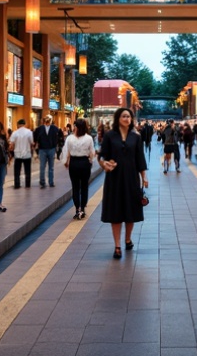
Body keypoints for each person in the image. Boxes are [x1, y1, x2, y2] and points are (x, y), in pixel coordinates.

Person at [98, 107, 148, 259]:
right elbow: (102, 156)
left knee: (131, 210)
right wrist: (104, 164)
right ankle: (117, 246)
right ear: (118, 118)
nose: (127, 119)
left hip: (132, 178)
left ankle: (128, 239)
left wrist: (144, 177)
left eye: (129, 116)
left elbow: (140, 159)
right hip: (114, 178)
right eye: (124, 116)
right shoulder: (110, 136)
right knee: (116, 211)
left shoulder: (136, 137)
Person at [63, 117, 96, 219]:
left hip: (74, 163)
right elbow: (92, 153)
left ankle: (77, 209)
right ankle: (83, 209)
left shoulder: (70, 138)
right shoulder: (89, 138)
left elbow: (66, 151)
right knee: (85, 186)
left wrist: (66, 162)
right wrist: (90, 161)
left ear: (76, 127)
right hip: (85, 163)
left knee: (75, 187)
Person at [33, 114, 61, 188]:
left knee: (51, 167)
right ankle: (42, 182)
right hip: (42, 149)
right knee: (42, 166)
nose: (48, 120)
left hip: (51, 149)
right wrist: (35, 145)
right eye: (46, 119)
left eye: (49, 119)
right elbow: (35, 137)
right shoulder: (39, 128)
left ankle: (51, 182)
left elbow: (60, 135)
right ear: (44, 120)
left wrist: (56, 143)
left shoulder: (54, 128)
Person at [9, 119, 34, 190]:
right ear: (24, 124)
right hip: (27, 154)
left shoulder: (15, 132)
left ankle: (17, 184)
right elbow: (32, 142)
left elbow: (11, 143)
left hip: (18, 154)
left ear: (19, 124)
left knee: (17, 170)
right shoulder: (29, 132)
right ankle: (28, 184)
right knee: (27, 170)